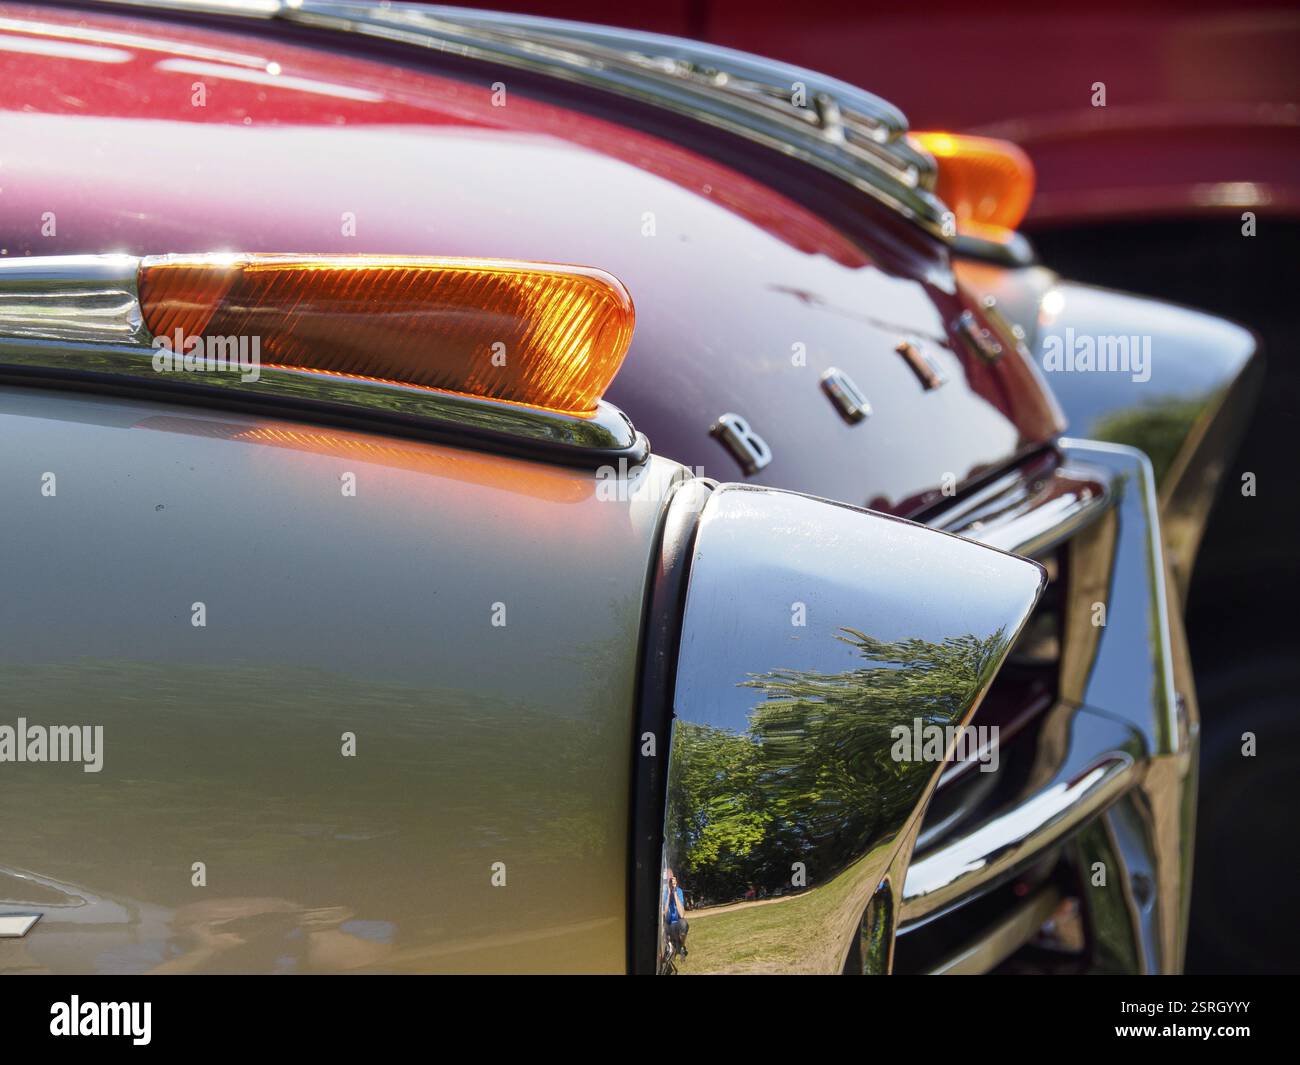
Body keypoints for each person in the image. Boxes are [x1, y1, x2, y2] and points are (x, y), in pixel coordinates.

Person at [663, 868, 689, 960]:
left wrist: (674, 893)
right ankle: (672, 946)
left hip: (677, 923)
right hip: (668, 924)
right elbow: (665, 915)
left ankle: (681, 946)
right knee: (663, 926)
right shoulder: (664, 892)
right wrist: (669, 895)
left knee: (684, 923)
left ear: (675, 881)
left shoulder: (679, 891)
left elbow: (682, 915)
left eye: (671, 879)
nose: (669, 882)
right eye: (667, 880)